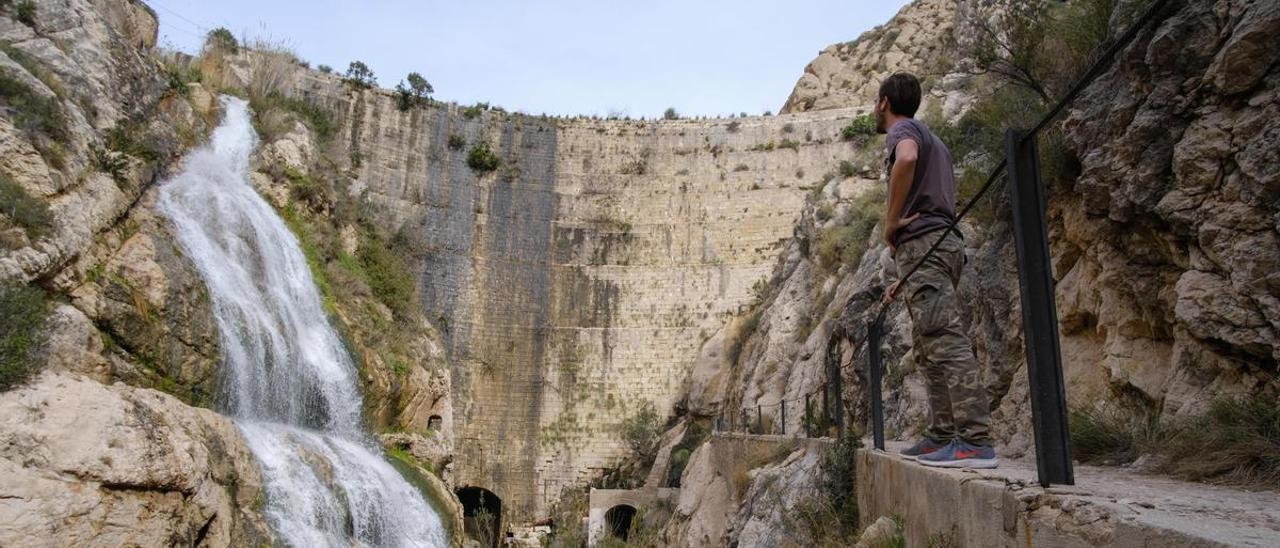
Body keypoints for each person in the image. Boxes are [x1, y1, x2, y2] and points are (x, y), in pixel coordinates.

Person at [875, 72, 996, 469]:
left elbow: (906, 158)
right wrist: (904, 278)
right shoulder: (936, 140)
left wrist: (891, 223)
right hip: (938, 245)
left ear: (883, 103)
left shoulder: (904, 131)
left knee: (944, 337)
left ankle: (975, 441)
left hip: (925, 243)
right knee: (929, 344)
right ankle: (941, 435)